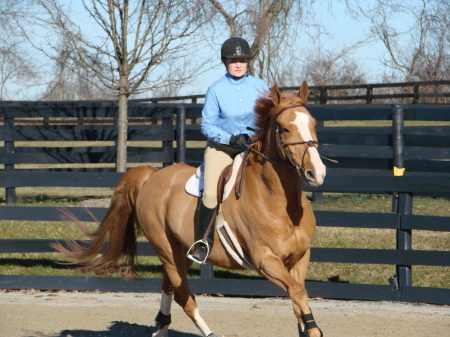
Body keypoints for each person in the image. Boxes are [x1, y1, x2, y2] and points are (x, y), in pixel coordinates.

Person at [187, 37, 269, 264]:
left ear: (248, 61)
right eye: (233, 60)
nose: (238, 64)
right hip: (222, 148)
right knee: (212, 193)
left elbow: (270, 117)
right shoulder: (216, 90)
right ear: (225, 62)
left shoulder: (261, 86)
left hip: (254, 147)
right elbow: (207, 125)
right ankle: (202, 243)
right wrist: (230, 137)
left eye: (242, 60)